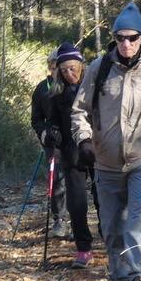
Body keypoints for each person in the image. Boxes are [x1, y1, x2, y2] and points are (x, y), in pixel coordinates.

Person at [70, 2, 141, 281]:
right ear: (114, 39)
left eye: (132, 38)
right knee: (112, 224)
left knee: (140, 218)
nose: (126, 43)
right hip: (105, 162)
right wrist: (83, 141)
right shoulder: (99, 68)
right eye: (120, 38)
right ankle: (120, 280)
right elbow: (79, 110)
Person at [48, 42, 96, 268]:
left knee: (103, 198)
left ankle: (112, 241)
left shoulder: (96, 86)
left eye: (73, 67)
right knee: (76, 204)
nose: (70, 73)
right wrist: (52, 134)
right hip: (71, 153)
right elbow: (52, 122)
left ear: (81, 66)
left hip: (99, 151)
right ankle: (83, 248)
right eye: (64, 69)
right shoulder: (56, 95)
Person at [30, 49, 68, 238]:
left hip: (76, 140)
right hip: (52, 142)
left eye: (59, 68)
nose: (57, 72)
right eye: (53, 68)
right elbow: (35, 119)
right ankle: (59, 220)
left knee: (77, 181)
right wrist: (44, 132)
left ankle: (80, 221)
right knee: (57, 180)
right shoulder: (42, 89)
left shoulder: (76, 84)